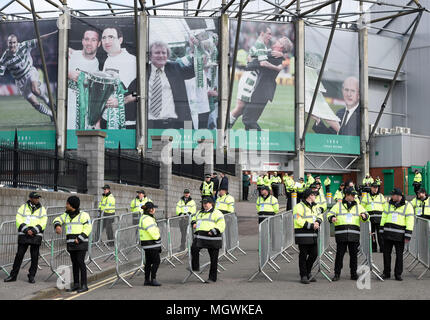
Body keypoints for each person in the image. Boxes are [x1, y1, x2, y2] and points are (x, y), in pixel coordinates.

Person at [229, 25, 287, 129]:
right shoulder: (262, 46)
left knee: (242, 111)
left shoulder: (267, 49)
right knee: (240, 109)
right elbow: (259, 63)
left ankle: (225, 129)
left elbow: (253, 60)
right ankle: (223, 128)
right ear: (262, 33)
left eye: (278, 41)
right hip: (250, 79)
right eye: (269, 34)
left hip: (255, 83)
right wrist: (278, 67)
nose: (271, 37)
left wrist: (282, 56)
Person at [0, 31, 58, 121]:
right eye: (10, 43)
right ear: (7, 43)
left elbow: (40, 39)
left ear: (17, 42)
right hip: (20, 82)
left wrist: (54, 33)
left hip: (30, 72)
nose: (12, 45)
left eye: (14, 42)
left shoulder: (24, 45)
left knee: (35, 89)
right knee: (35, 103)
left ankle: (49, 102)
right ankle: (51, 114)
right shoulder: (4, 58)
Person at [240, 36, 293, 130]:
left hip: (261, 91)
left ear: (281, 47)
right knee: (249, 121)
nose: (276, 41)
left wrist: (250, 60)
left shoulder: (274, 56)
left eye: (278, 41)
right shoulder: (275, 55)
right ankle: (250, 142)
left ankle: (262, 134)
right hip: (263, 91)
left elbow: (251, 65)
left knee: (247, 120)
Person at [147, 41, 194, 129]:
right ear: (150, 56)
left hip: (176, 123)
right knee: (153, 143)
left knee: (183, 142)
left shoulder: (175, 67)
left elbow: (193, 70)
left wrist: (196, 49)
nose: (161, 55)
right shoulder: (143, 71)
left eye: (164, 53)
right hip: (151, 125)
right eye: (157, 52)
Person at [328, 187, 369, 281]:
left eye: (355, 195)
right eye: (352, 195)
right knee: (339, 255)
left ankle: (353, 274)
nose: (354, 196)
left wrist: (364, 216)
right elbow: (329, 214)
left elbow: (367, 215)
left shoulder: (358, 206)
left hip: (354, 235)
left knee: (354, 256)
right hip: (341, 234)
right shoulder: (338, 205)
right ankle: (337, 274)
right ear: (347, 195)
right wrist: (332, 218)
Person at [4, 192, 47, 283]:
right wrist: (26, 230)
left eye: (38, 198)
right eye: (35, 198)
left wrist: (34, 230)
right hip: (24, 234)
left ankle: (31, 276)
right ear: (30, 198)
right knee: (19, 255)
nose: (37, 199)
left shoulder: (42, 209)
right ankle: (13, 275)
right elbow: (18, 219)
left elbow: (44, 221)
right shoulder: (23, 207)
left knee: (34, 257)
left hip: (36, 235)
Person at [101, 27, 137, 130]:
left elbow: (139, 92)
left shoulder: (132, 61)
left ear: (120, 40)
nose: (107, 41)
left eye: (111, 37)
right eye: (104, 38)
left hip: (126, 123)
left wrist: (121, 101)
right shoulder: (107, 60)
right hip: (107, 120)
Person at [53, 196, 92, 293]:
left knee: (80, 262)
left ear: (72, 205)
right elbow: (57, 219)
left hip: (81, 243)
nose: (66, 205)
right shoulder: (66, 215)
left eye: (67, 203)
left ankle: (84, 285)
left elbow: (88, 227)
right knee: (74, 263)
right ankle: (76, 284)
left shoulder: (84, 215)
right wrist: (57, 225)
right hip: (71, 244)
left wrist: (80, 238)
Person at [67, 29, 101, 129]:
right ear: (82, 41)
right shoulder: (70, 55)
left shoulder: (98, 67)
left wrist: (97, 122)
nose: (89, 43)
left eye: (93, 40)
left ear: (99, 43)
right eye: (86, 39)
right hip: (67, 113)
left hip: (83, 117)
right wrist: (68, 73)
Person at [380, 188, 414, 281]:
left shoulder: (408, 206)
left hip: (399, 235)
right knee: (386, 254)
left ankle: (398, 274)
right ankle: (386, 273)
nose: (391, 196)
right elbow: (384, 216)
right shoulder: (388, 204)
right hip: (388, 233)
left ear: (399, 196)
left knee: (399, 255)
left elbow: (410, 220)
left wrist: (408, 234)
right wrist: (381, 229)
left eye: (393, 195)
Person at [190, 197, 225, 283]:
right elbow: (193, 218)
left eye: (207, 203)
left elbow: (221, 224)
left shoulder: (217, 213)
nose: (205, 204)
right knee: (194, 248)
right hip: (200, 237)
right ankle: (195, 267)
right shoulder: (199, 212)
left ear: (211, 203)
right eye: (203, 203)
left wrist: (214, 231)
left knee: (213, 259)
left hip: (213, 237)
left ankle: (212, 278)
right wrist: (193, 223)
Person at [293, 188, 322, 284]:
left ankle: (308, 272)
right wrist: (310, 225)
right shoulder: (298, 206)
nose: (315, 197)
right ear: (309, 195)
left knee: (314, 254)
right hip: (303, 234)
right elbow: (297, 219)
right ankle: (304, 275)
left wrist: (318, 222)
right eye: (314, 195)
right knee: (303, 255)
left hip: (313, 235)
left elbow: (320, 215)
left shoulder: (315, 206)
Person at [138, 202, 162, 286]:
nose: (154, 210)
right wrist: (158, 237)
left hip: (146, 243)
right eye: (153, 208)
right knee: (156, 261)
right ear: (150, 210)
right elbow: (152, 231)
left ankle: (147, 280)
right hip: (151, 243)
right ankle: (153, 279)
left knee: (148, 262)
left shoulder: (144, 217)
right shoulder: (147, 218)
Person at [361, 182, 387, 252]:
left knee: (380, 234)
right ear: (371, 188)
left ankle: (382, 248)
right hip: (370, 219)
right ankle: (373, 248)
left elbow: (385, 207)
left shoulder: (381, 196)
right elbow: (362, 207)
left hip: (379, 219)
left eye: (377, 188)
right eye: (374, 187)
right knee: (372, 234)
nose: (375, 189)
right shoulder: (366, 196)